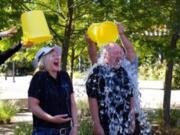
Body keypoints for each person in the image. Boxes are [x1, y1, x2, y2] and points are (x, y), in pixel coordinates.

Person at [85, 22, 150, 135]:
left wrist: (121, 34)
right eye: (116, 53)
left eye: (121, 53)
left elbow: (131, 51)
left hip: (130, 119)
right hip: (106, 121)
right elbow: (93, 57)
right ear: (105, 56)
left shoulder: (127, 69)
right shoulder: (99, 71)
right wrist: (90, 42)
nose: (120, 56)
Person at [28, 45, 78, 135]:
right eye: (52, 55)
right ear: (43, 61)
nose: (57, 57)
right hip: (44, 131)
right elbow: (32, 106)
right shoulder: (39, 77)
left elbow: (72, 103)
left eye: (57, 55)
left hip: (67, 130)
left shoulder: (64, 76)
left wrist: (75, 126)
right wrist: (51, 119)